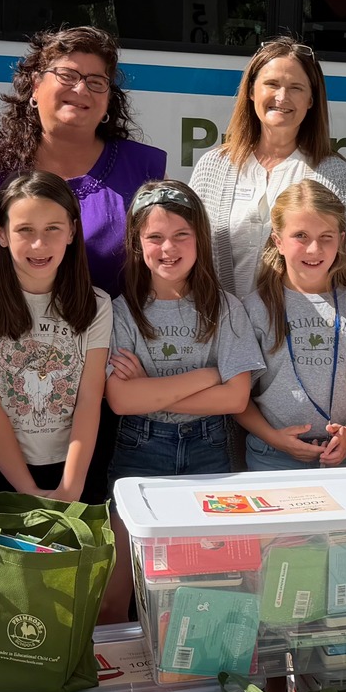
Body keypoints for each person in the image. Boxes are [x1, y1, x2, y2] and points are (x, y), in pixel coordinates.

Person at [0, 25, 166, 295]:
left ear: (108, 100)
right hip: (10, 323)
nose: (81, 89)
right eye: (67, 75)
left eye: (96, 82)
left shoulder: (145, 170)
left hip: (116, 324)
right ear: (36, 86)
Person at [0, 171, 112, 499]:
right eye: (25, 230)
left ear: (72, 231)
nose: (39, 244)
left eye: (53, 228)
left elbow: (89, 399)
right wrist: (27, 488)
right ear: (1, 233)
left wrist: (71, 486)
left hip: (75, 469)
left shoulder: (97, 304)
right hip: (1, 469)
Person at [188, 37, 346, 296]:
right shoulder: (213, 167)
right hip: (220, 320)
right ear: (251, 91)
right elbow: (188, 257)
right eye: (272, 84)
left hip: (300, 322)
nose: (282, 97)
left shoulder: (333, 173)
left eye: (296, 88)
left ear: (311, 99)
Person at [105, 181, 263, 479]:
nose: (168, 247)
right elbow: (121, 400)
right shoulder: (121, 312)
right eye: (155, 237)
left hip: (209, 446)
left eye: (181, 235)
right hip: (139, 446)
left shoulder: (226, 308)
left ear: (200, 238)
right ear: (137, 242)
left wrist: (149, 391)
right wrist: (210, 376)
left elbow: (235, 399)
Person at [237, 181, 346, 471]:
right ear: (278, 241)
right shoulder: (254, 309)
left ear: (341, 241)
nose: (314, 248)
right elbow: (237, 397)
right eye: (301, 236)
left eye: (326, 237)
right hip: (273, 457)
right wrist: (274, 438)